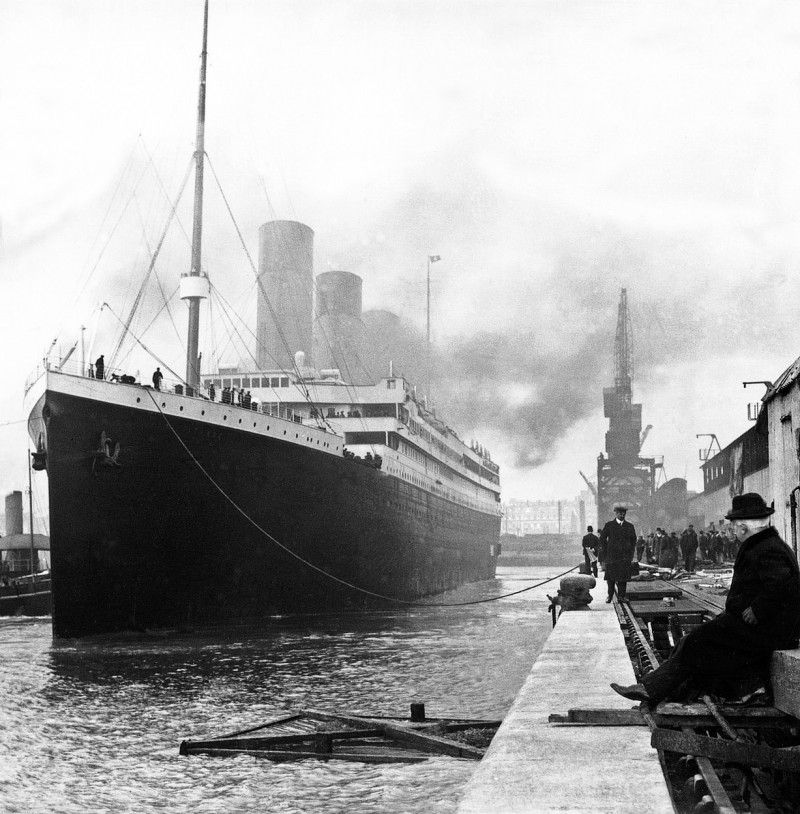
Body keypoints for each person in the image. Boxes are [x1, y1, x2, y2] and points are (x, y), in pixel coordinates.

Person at [611, 493, 800, 705]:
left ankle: (652, 690)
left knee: (695, 642)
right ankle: (665, 692)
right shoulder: (765, 545)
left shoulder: (766, 549)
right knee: (694, 643)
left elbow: (780, 583)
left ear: (744, 527)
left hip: (766, 629)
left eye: (734, 526)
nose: (732, 530)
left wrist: (757, 609)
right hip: (759, 625)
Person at [598, 505, 637, 603]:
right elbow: (602, 539)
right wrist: (606, 551)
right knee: (610, 578)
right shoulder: (609, 525)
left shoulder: (629, 526)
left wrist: (630, 552)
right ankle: (610, 596)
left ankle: (621, 596)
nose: (622, 515)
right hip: (612, 557)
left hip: (624, 557)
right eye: (620, 513)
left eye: (623, 513)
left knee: (623, 578)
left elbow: (633, 540)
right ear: (616, 513)